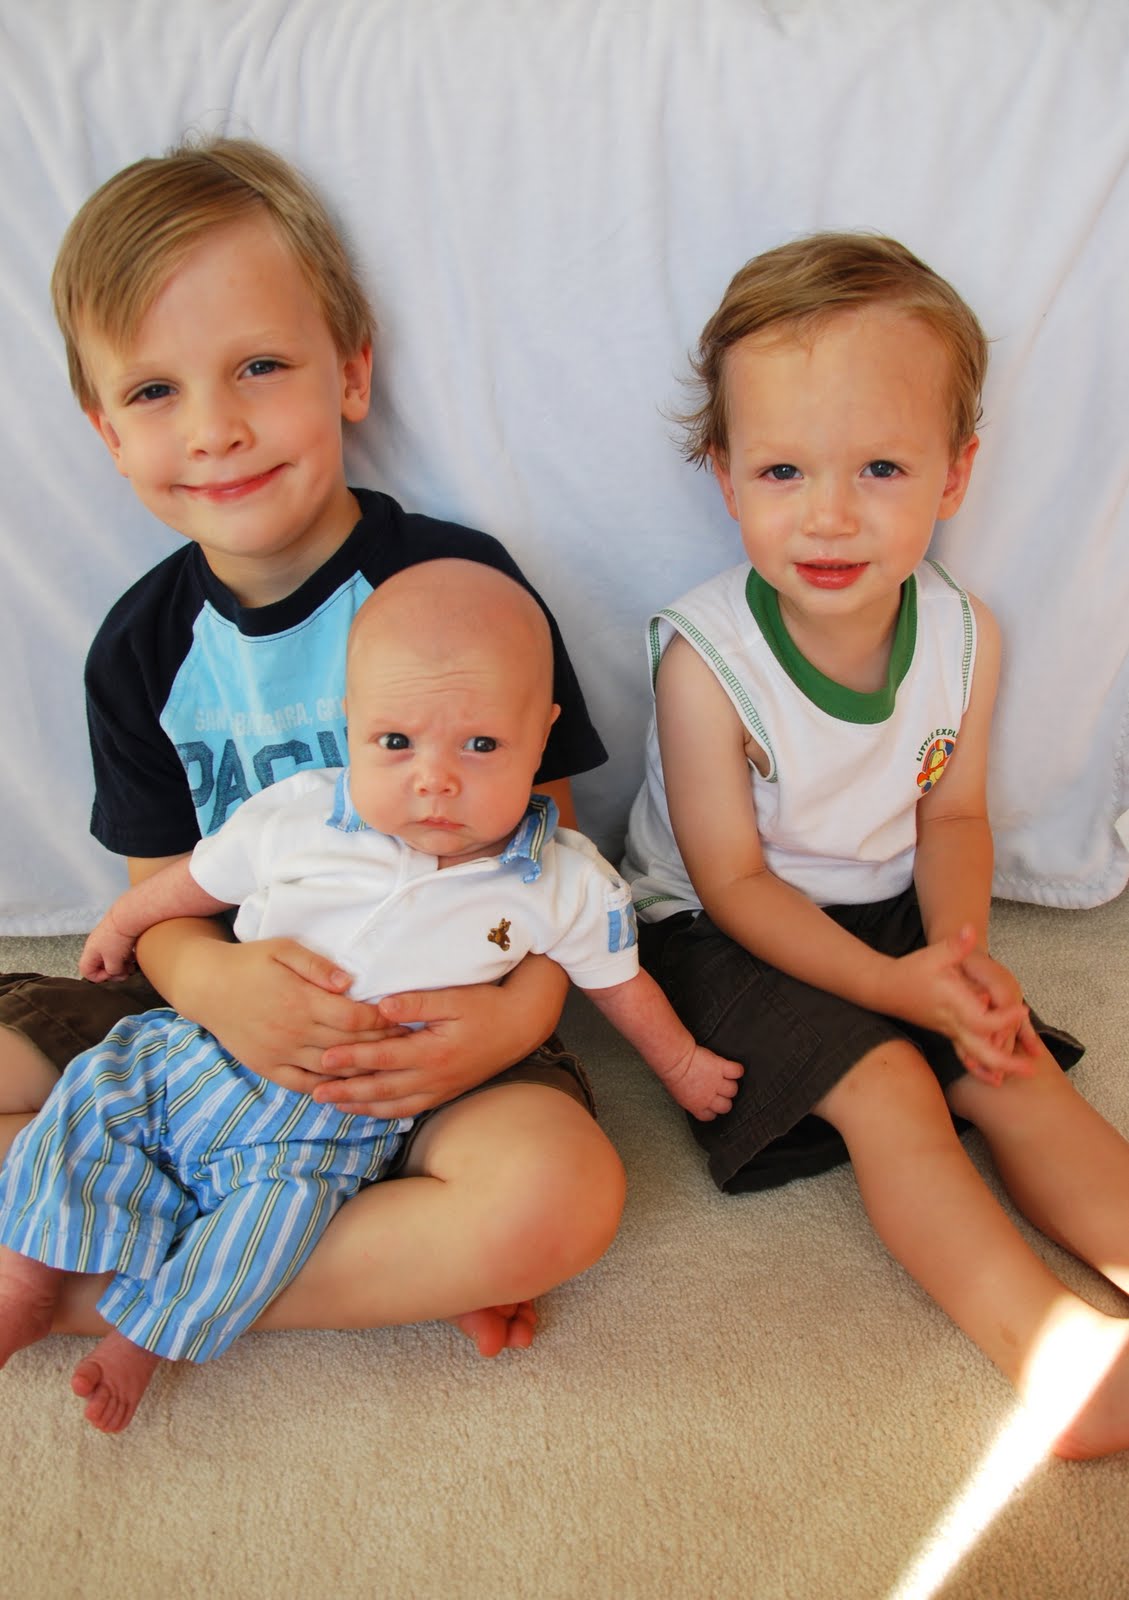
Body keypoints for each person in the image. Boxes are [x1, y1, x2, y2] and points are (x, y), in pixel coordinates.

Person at [0, 135, 626, 1382]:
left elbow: (549, 860)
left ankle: (110, 1285)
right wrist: (223, 989)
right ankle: (364, 1255)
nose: (216, 429)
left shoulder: (457, 591)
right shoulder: (140, 648)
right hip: (205, 1034)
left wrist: (506, 1026)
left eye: (259, 367)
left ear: (349, 372)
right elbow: (159, 904)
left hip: (436, 1033)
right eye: (155, 392)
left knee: (559, 1198)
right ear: (106, 431)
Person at [0, 561, 740, 1431]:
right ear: (349, 724)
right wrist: (123, 924)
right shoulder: (300, 813)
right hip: (195, 1050)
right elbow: (196, 881)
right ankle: (26, 1275)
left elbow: (620, 984)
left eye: (480, 745)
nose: (435, 780)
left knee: (273, 1220)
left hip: (334, 1129)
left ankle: (146, 1333)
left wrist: (681, 1065)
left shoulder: (564, 880)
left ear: (540, 735)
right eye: (395, 742)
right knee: (94, 1102)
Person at [622, 231, 1129, 1462]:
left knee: (1006, 1057)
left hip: (886, 902)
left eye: (882, 467)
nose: (830, 513)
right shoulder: (707, 662)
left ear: (955, 474)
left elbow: (951, 816)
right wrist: (896, 994)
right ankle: (1052, 1353)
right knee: (894, 1083)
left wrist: (955, 955)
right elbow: (733, 881)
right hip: (718, 928)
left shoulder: (962, 635)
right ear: (725, 474)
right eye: (783, 469)